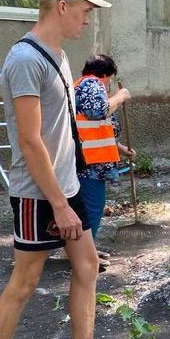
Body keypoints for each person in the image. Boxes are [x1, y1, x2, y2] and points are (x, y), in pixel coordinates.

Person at [0, 0, 134, 339]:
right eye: (85, 10)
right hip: (39, 194)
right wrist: (58, 204)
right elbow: (29, 141)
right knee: (23, 285)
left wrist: (74, 185)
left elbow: (64, 131)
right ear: (62, 6)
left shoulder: (59, 55)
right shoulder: (25, 59)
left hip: (69, 185)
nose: (87, 19)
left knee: (87, 267)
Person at [74, 54, 134, 271]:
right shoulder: (92, 84)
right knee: (92, 207)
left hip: (91, 160)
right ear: (106, 75)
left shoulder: (84, 85)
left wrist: (121, 150)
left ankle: (85, 250)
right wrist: (120, 96)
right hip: (89, 164)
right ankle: (83, 258)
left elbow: (94, 129)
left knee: (87, 208)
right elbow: (97, 112)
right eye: (109, 79)